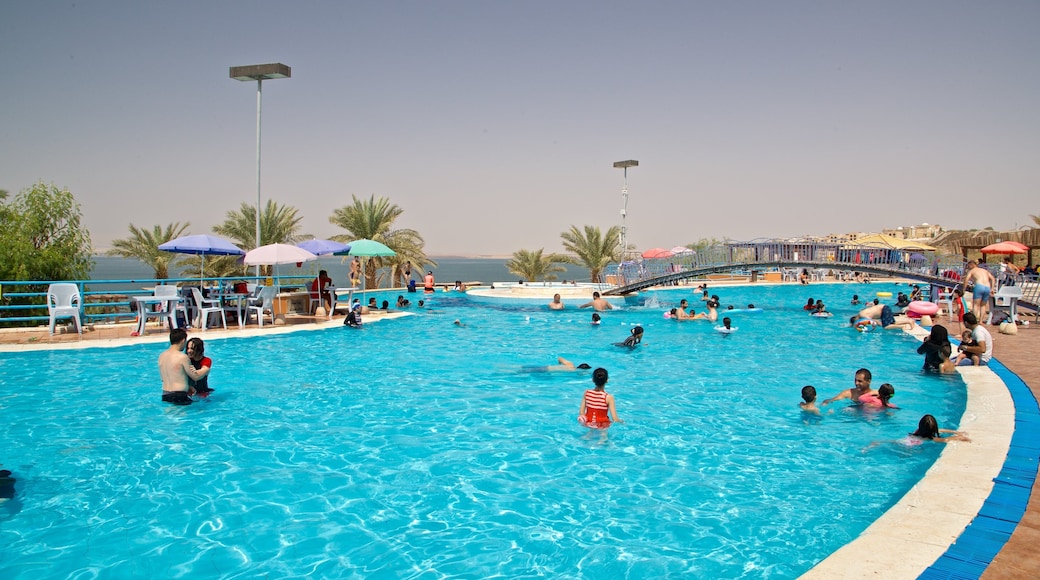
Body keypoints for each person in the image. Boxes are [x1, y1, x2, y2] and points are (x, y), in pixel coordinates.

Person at [159, 328, 204, 405]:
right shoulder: (182, 357)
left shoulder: (161, 356)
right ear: (183, 340)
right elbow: (195, 377)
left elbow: (163, 379)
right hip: (179, 395)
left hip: (165, 394)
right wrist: (205, 371)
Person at [522, 356, 592, 372]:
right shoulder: (573, 370)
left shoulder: (570, 364)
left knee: (524, 367)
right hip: (545, 371)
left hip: (546, 367)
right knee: (523, 372)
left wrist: (559, 365)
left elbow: (559, 358)